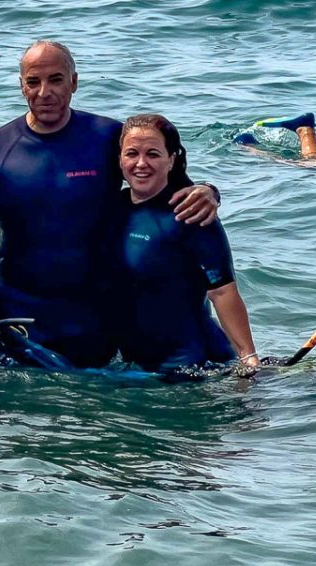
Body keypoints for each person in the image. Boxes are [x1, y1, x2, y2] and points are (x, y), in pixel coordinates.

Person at [0, 41, 221, 368]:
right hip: (17, 315)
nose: (45, 92)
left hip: (96, 316)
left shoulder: (107, 137)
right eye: (33, 82)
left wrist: (209, 191)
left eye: (56, 79)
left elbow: (163, 181)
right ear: (21, 85)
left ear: (74, 81)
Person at [105, 114, 259, 374]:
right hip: (137, 364)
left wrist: (248, 357)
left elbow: (222, 292)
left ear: (171, 160)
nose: (141, 163)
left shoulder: (191, 213)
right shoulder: (112, 208)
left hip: (191, 367)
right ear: (120, 160)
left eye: (153, 154)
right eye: (132, 153)